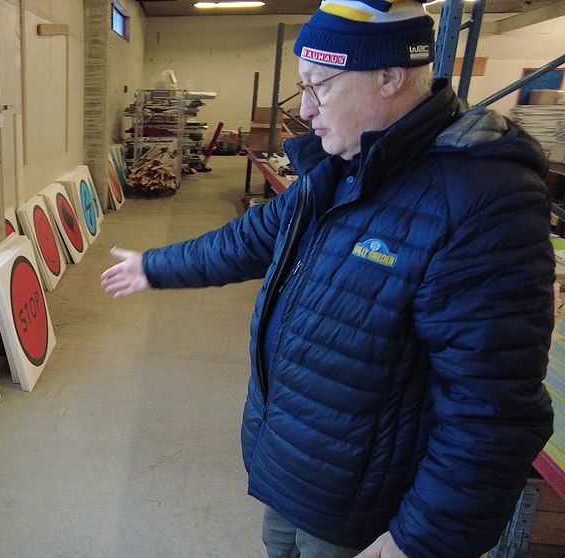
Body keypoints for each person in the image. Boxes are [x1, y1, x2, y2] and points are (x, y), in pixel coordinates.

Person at [101, 0, 555, 556]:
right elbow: (248, 240)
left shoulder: (481, 200)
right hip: (297, 469)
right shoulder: (338, 169)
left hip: (367, 508)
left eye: (320, 87)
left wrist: (422, 541)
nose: (307, 111)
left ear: (390, 75)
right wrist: (154, 266)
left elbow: (492, 406)